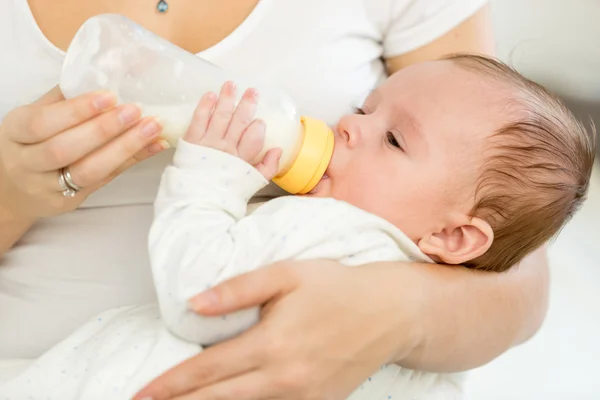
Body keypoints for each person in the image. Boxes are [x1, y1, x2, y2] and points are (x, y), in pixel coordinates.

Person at [0, 1, 552, 399]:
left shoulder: (335, 233)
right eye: (363, 109)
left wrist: (209, 173)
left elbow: (518, 254)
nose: (346, 126)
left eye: (393, 138)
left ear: (454, 239)